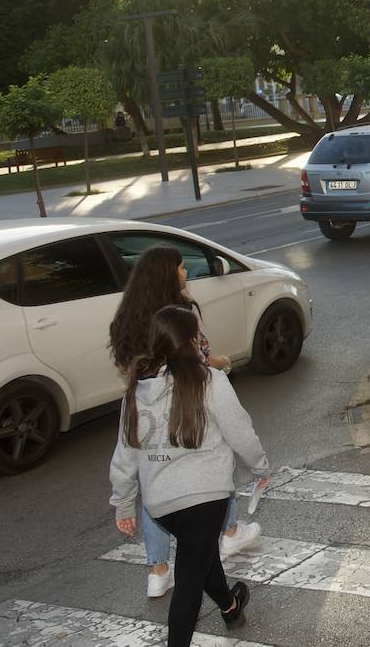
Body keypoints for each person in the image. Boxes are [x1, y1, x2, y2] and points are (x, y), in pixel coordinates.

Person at [110, 305, 269, 645]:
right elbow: (240, 431)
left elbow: (125, 454)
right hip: (205, 498)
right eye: (198, 334)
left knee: (200, 556)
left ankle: (230, 608)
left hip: (162, 507)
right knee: (188, 586)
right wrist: (260, 467)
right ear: (190, 341)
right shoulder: (210, 380)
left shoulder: (136, 392)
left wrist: (124, 503)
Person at [108, 246, 254, 599]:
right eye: (180, 268)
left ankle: (158, 570)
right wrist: (224, 363)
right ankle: (230, 531)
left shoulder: (126, 315)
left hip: (144, 404)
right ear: (168, 275)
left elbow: (127, 365)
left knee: (153, 481)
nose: (185, 272)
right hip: (185, 402)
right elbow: (200, 357)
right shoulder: (182, 312)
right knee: (209, 460)